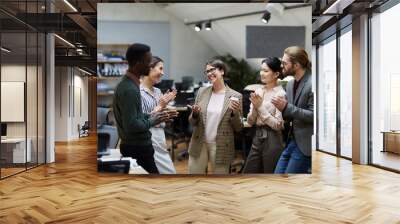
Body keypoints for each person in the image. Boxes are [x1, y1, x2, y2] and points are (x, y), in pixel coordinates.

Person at [113, 43, 177, 174]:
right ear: (138, 63)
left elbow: (138, 117)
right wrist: (155, 117)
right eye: (148, 62)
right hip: (138, 145)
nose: (149, 65)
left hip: (146, 143)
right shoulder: (131, 89)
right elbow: (132, 124)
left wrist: (161, 116)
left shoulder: (132, 86)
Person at [188, 59, 243, 174]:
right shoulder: (202, 92)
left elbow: (238, 127)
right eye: (206, 72)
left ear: (222, 71)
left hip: (221, 145)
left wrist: (234, 112)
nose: (209, 74)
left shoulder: (235, 96)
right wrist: (195, 114)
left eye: (212, 70)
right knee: (193, 179)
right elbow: (192, 122)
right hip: (199, 142)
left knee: (220, 183)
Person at [272, 46, 313, 174]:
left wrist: (285, 107)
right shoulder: (289, 84)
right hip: (291, 141)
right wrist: (280, 108)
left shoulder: (313, 82)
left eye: (285, 63)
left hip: (304, 145)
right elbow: (289, 113)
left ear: (296, 65)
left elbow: (314, 115)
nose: (281, 65)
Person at [243, 57, 286, 173]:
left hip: (273, 138)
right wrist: (255, 108)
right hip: (257, 135)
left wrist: (260, 107)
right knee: (248, 172)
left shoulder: (280, 94)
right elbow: (250, 121)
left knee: (269, 174)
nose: (262, 73)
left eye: (266, 71)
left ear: (276, 73)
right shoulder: (258, 91)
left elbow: (278, 125)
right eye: (261, 70)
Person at [140, 56, 177, 174]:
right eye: (160, 69)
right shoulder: (137, 93)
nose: (163, 72)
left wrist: (166, 112)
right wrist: (161, 105)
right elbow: (141, 122)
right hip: (148, 139)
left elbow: (157, 114)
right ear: (150, 69)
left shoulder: (157, 91)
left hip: (160, 138)